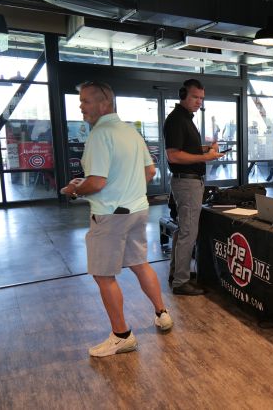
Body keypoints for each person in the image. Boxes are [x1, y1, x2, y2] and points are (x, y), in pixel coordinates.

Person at [60, 80, 173, 358]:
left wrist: (74, 189)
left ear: (104, 104)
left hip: (110, 215)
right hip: (137, 210)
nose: (81, 107)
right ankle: (162, 314)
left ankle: (122, 336)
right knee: (139, 263)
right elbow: (150, 171)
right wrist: (125, 187)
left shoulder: (100, 134)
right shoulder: (130, 131)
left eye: (86, 101)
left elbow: (97, 182)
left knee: (103, 275)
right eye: (81, 101)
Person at [164, 79, 224, 296]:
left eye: (201, 98)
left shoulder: (186, 119)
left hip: (189, 181)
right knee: (189, 232)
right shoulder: (177, 120)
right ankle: (181, 281)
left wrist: (205, 149)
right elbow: (173, 155)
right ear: (183, 95)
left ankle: (176, 273)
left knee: (183, 230)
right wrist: (205, 157)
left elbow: (186, 148)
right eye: (195, 97)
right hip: (187, 182)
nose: (199, 102)